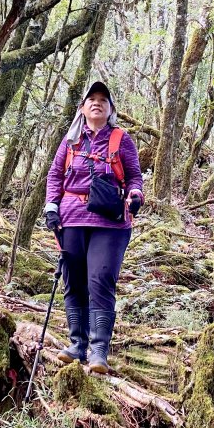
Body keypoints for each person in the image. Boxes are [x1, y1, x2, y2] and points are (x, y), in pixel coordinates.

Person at [44, 81, 144, 373]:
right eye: (92, 99)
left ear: (111, 109)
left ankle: (99, 350)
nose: (97, 103)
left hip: (110, 222)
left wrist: (135, 196)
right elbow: (54, 175)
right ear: (83, 107)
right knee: (73, 280)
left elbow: (135, 177)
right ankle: (77, 345)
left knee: (100, 279)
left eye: (103, 99)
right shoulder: (71, 140)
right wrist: (51, 208)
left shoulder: (121, 139)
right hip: (71, 218)